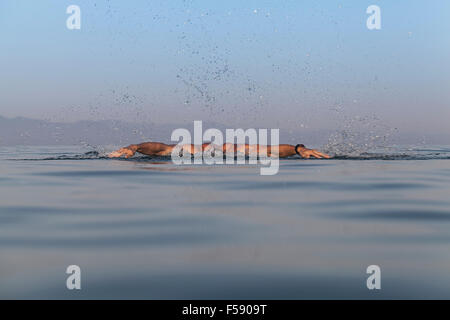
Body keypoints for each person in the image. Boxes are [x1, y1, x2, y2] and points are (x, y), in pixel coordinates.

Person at [108, 142, 330, 159]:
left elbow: (270, 150)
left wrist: (297, 148)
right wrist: (134, 147)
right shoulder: (190, 151)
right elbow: (158, 149)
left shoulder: (230, 151)